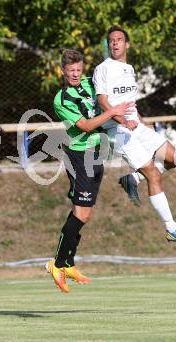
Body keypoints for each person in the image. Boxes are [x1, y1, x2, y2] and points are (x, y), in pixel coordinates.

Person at [93, 25, 176, 243]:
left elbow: (130, 104)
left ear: (127, 44)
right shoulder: (103, 69)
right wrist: (122, 120)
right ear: (108, 45)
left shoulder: (129, 69)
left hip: (135, 125)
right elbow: (103, 102)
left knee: (175, 158)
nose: (115, 43)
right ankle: (172, 228)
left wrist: (142, 122)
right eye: (111, 40)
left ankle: (132, 178)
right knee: (153, 174)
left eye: (119, 40)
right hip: (117, 129)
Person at [46, 49, 133, 293]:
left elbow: (109, 93)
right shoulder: (60, 98)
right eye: (70, 71)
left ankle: (67, 262)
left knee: (84, 214)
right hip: (79, 155)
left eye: (78, 69)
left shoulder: (89, 83)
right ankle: (57, 263)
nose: (75, 74)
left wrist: (125, 117)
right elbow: (84, 126)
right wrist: (112, 113)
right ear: (62, 71)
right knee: (80, 213)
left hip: (97, 153)